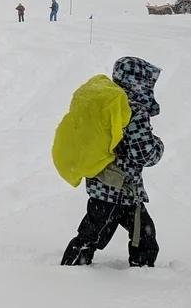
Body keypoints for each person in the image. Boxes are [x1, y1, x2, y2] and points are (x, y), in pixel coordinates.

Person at [61, 57, 164, 267]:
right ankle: (69, 271)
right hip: (114, 190)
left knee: (144, 234)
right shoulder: (133, 111)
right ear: (138, 84)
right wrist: (158, 145)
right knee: (92, 235)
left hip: (111, 185)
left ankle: (144, 272)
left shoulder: (109, 103)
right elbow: (144, 154)